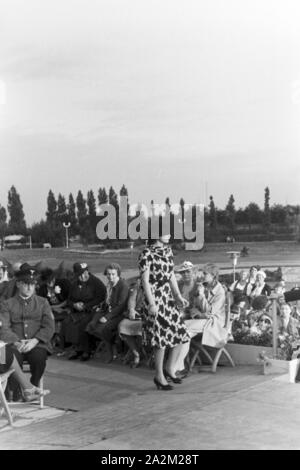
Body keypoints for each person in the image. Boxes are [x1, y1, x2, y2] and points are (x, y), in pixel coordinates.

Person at [138, 234, 190, 391]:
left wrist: (178, 296)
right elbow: (145, 281)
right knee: (160, 339)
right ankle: (159, 376)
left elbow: (171, 275)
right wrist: (152, 303)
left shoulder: (168, 251)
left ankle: (169, 369)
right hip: (153, 297)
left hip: (167, 297)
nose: (169, 236)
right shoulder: (146, 253)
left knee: (180, 333)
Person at [0, 264, 55, 397]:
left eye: (32, 284)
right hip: (14, 344)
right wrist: (17, 342)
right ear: (18, 284)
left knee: (39, 359)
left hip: (36, 343)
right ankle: (16, 391)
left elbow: (49, 326)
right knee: (10, 357)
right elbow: (4, 328)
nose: (30, 287)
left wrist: (35, 341)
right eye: (26, 284)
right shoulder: (7, 304)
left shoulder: (42, 302)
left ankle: (33, 386)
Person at [86, 263, 129, 363]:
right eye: (108, 274)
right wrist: (101, 308)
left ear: (118, 274)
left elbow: (121, 306)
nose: (110, 276)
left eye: (113, 274)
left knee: (103, 328)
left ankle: (110, 351)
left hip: (119, 314)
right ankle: (109, 346)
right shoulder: (109, 285)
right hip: (108, 311)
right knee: (91, 325)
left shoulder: (123, 286)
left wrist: (107, 317)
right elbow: (107, 301)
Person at [64, 262, 106, 361]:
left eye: (84, 272)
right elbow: (69, 300)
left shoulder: (96, 282)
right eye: (79, 274)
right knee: (67, 322)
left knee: (83, 324)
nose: (82, 276)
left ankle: (87, 350)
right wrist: (74, 305)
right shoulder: (74, 284)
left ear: (87, 271)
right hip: (77, 310)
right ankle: (77, 348)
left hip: (92, 310)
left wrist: (86, 306)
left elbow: (100, 298)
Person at [184, 263, 228, 349]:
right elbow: (195, 305)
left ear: (213, 275)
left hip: (213, 322)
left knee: (185, 331)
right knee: (181, 327)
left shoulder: (220, 291)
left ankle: (179, 359)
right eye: (202, 273)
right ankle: (182, 359)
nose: (202, 275)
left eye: (205, 273)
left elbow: (209, 311)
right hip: (201, 318)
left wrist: (201, 295)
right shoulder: (204, 286)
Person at [37, 268, 71, 350]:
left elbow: (69, 299)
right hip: (52, 310)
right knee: (48, 318)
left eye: (51, 280)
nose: (50, 283)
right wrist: (53, 308)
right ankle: (51, 341)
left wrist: (58, 304)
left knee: (60, 320)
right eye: (47, 281)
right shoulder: (43, 288)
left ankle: (60, 343)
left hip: (65, 308)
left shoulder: (63, 283)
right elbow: (42, 304)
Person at [118, 278, 144, 368]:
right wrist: (132, 309)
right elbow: (132, 300)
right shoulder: (138, 286)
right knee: (122, 326)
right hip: (137, 313)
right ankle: (136, 352)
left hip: (149, 314)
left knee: (142, 329)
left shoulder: (157, 285)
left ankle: (139, 354)